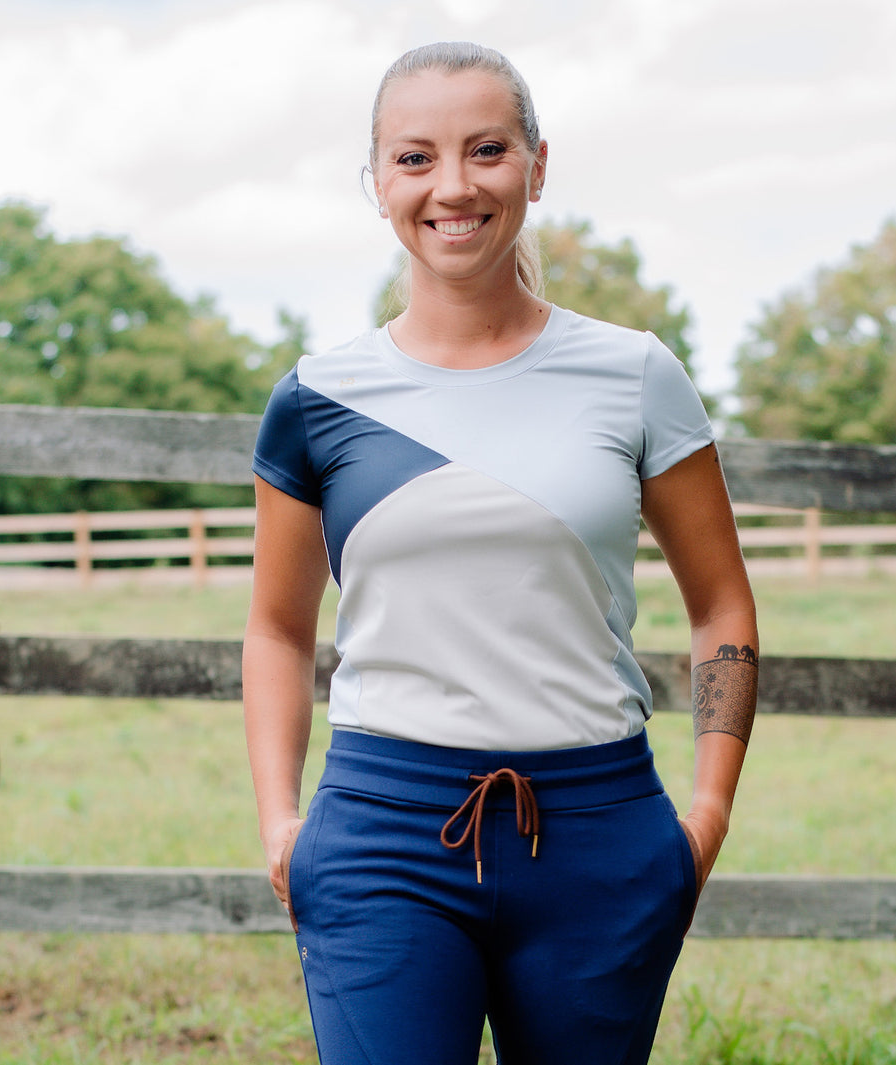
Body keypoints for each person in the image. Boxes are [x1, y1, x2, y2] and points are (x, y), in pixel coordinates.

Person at [242, 40, 758, 1065]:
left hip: (601, 839)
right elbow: (275, 626)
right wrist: (281, 824)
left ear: (535, 164)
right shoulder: (317, 398)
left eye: (486, 150)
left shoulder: (635, 375)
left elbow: (722, 608)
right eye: (414, 158)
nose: (452, 186)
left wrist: (703, 816)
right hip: (382, 837)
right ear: (378, 182)